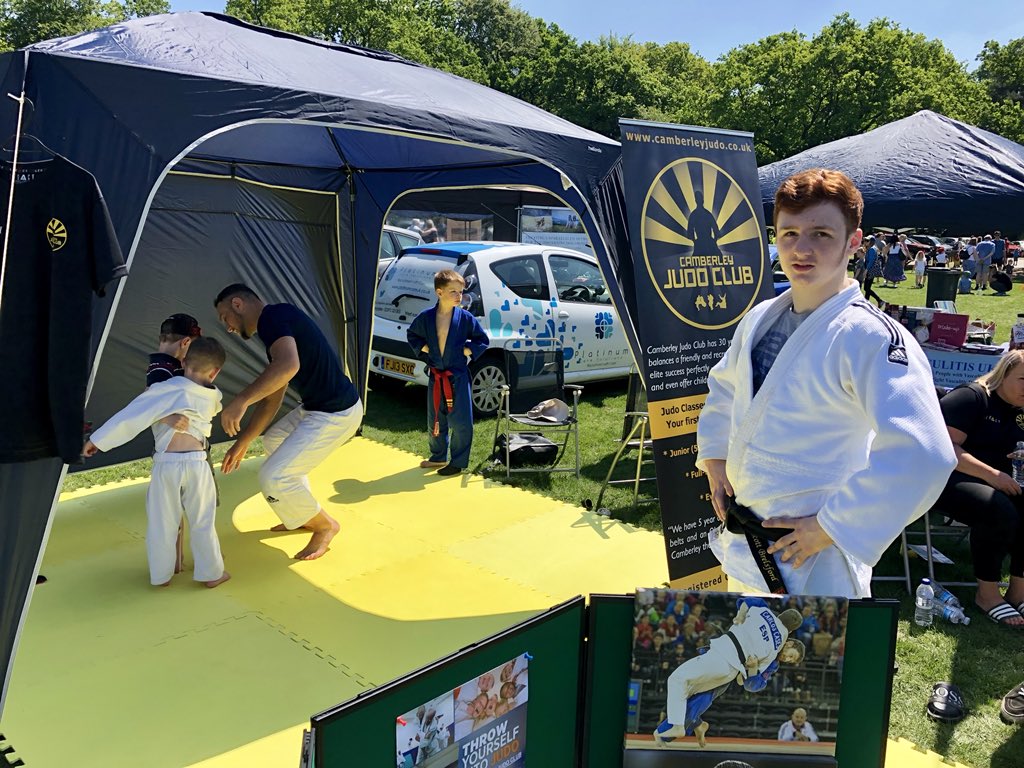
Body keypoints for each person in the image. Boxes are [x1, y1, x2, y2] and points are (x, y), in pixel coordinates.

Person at [696, 168, 957, 597]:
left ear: (853, 242)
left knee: (810, 664)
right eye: (789, 233)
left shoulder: (871, 337)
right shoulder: (760, 318)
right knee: (743, 662)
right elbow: (725, 388)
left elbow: (923, 452)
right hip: (747, 544)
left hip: (817, 559)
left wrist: (833, 526)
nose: (801, 249)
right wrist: (716, 455)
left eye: (821, 234)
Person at [214, 284, 363, 560]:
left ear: (237, 304)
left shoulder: (272, 318)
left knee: (273, 477)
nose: (228, 328)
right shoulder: (277, 324)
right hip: (318, 408)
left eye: (226, 318)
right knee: (274, 440)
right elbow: (273, 397)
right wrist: (243, 441)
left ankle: (324, 526)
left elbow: (288, 367)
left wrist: (240, 401)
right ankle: (303, 515)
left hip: (337, 413)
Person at [83, 338, 230, 588]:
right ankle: (212, 574)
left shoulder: (165, 389)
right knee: (202, 520)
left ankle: (161, 576)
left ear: (183, 362)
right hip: (197, 464)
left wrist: (97, 440)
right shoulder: (214, 396)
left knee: (162, 522)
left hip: (167, 464)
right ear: (215, 372)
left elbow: (133, 415)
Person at [936, 351, 1024, 627]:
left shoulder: (1020, 410)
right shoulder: (972, 398)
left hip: (1002, 479)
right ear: (1003, 374)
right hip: (947, 478)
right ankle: (987, 594)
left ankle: (1018, 591)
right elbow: (943, 448)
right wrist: (993, 474)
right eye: (1023, 379)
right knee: (996, 508)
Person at [653, 599, 803, 746]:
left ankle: (670, 731)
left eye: (791, 660)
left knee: (687, 688)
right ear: (789, 640)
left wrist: (752, 668)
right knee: (689, 693)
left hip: (727, 662)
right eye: (791, 655)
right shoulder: (774, 650)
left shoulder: (764, 614)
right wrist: (741, 615)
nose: (787, 659)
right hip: (726, 661)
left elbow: (745, 602)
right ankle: (696, 725)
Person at [406, 270, 489, 475]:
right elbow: (412, 335)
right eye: (453, 291)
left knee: (461, 421)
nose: (458, 296)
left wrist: (468, 350)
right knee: (435, 418)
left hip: (457, 376)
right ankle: (438, 456)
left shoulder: (465, 318)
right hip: (437, 376)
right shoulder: (426, 318)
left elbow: (482, 340)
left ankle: (458, 461)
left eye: (460, 292)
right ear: (439, 292)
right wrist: (426, 350)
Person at [148, 312, 203, 573]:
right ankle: (173, 562)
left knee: (181, 509)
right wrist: (168, 417)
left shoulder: (173, 365)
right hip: (173, 451)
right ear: (185, 343)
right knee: (175, 512)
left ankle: (177, 561)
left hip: (185, 448)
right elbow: (148, 401)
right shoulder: (161, 369)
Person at [861, 235, 885, 307]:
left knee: (866, 288)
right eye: (865, 240)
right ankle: (866, 302)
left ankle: (879, 300)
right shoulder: (871, 248)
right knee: (867, 287)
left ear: (871, 242)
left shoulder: (871, 249)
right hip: (870, 270)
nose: (865, 242)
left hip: (870, 270)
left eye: (867, 241)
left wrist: (866, 270)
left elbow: (871, 261)